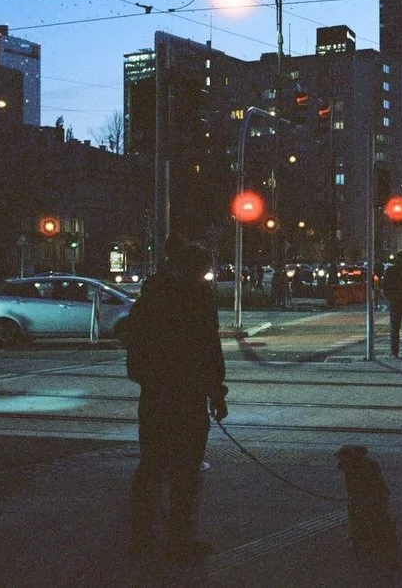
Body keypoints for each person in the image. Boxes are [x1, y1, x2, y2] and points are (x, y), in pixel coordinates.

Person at [125, 238, 228, 563]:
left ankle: (144, 537)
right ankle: (176, 540)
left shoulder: (154, 297)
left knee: (155, 466)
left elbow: (137, 351)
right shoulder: (194, 300)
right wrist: (215, 391)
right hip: (183, 397)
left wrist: (151, 380)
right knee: (182, 470)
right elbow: (209, 349)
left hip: (160, 397)